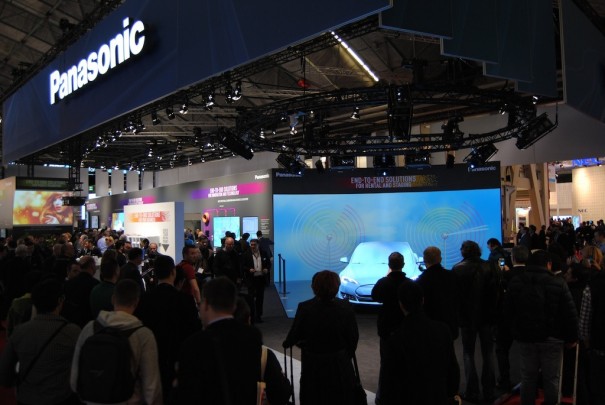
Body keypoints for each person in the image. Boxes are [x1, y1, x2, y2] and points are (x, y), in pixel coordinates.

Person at [178, 276, 291, 404]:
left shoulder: (192, 345)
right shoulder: (252, 337)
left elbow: (186, 394)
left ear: (206, 304)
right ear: (233, 306)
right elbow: (280, 392)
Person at [71, 279, 163, 405]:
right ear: (136, 302)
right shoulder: (143, 335)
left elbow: (74, 380)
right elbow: (151, 389)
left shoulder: (90, 328)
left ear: (113, 299)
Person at [505, 250, 578, 405]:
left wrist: (513, 331)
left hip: (525, 337)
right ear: (548, 264)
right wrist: (572, 338)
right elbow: (569, 314)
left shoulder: (517, 281)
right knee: (551, 378)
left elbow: (508, 311)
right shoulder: (558, 283)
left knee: (527, 377)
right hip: (552, 338)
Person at [0, 278, 82, 405]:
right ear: (60, 301)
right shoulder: (73, 332)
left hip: (27, 397)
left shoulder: (19, 332)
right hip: (61, 397)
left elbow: (5, 373)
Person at [283, 270, 359, 405]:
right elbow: (353, 337)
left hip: (313, 366)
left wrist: (294, 343)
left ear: (314, 287)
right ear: (337, 286)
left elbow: (293, 336)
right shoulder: (346, 306)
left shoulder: (305, 307)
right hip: (340, 365)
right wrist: (344, 355)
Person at [380, 280, 460, 404]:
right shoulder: (443, 330)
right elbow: (453, 369)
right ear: (422, 300)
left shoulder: (395, 340)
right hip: (438, 397)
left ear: (401, 304)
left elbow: (389, 384)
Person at [135, 255, 201, 403]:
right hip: (177, 360)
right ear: (173, 272)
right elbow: (193, 331)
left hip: (151, 358)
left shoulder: (144, 299)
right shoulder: (185, 300)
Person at [452, 240, 499, 402]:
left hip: (466, 318)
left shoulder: (457, 269)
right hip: (487, 316)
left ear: (463, 251)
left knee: (468, 353)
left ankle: (472, 391)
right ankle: (489, 391)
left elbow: (455, 297)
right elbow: (495, 292)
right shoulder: (490, 266)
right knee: (488, 353)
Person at [371, 251, 410, 403]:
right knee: (405, 363)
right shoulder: (409, 283)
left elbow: (375, 296)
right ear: (403, 265)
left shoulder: (383, 282)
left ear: (389, 265)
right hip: (405, 328)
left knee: (386, 364)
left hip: (387, 328)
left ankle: (383, 397)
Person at [495, 245, 529, 391]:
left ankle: (504, 380)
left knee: (502, 350)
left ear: (512, 258)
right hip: (527, 319)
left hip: (505, 319)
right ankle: (529, 383)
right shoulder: (532, 275)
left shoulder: (505, 275)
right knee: (528, 353)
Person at [415, 246, 459, 339]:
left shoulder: (420, 281)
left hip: (428, 327)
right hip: (449, 325)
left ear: (424, 260)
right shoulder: (452, 276)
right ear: (440, 259)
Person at [61, 255, 99, 328]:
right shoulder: (96, 285)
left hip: (70, 323)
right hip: (88, 324)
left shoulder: (68, 284)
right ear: (92, 266)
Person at [241, 238, 270, 322]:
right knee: (251, 298)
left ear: (258, 245)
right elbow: (242, 266)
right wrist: (248, 269)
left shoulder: (264, 253)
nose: (252, 246)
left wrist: (266, 269)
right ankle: (251, 315)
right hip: (251, 279)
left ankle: (259, 315)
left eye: (254, 245)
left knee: (260, 298)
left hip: (261, 279)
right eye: (251, 245)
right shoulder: (246, 254)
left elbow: (268, 264)